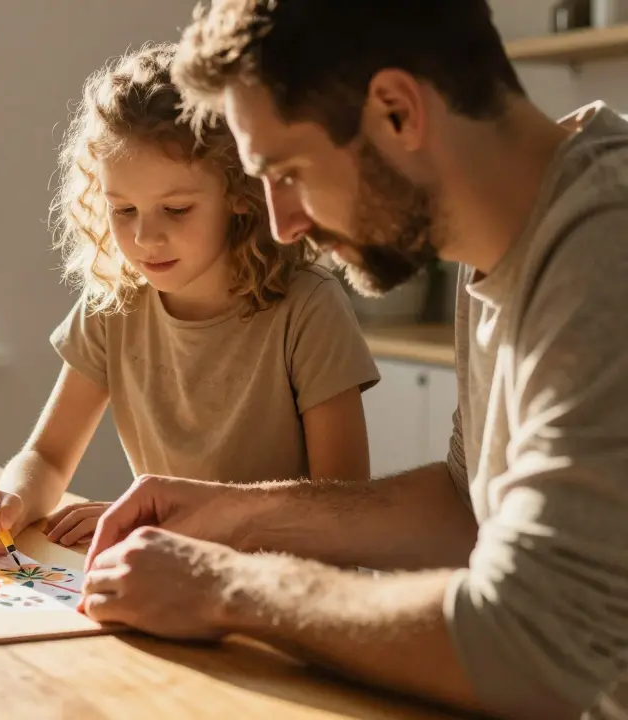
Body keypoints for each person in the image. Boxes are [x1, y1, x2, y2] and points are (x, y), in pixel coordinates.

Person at [80, 3, 628, 719]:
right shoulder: (499, 240)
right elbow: (468, 503)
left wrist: (223, 586)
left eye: (287, 171)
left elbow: (533, 640)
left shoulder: (603, 249)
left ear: (397, 111)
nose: (282, 223)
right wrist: (236, 515)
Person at [0, 44, 378, 557]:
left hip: (289, 596)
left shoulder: (309, 308)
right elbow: (48, 456)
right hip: (173, 583)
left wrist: (163, 525)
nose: (146, 238)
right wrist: (11, 500)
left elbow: (347, 510)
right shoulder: (114, 302)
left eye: (175, 209)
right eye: (122, 209)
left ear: (239, 192)